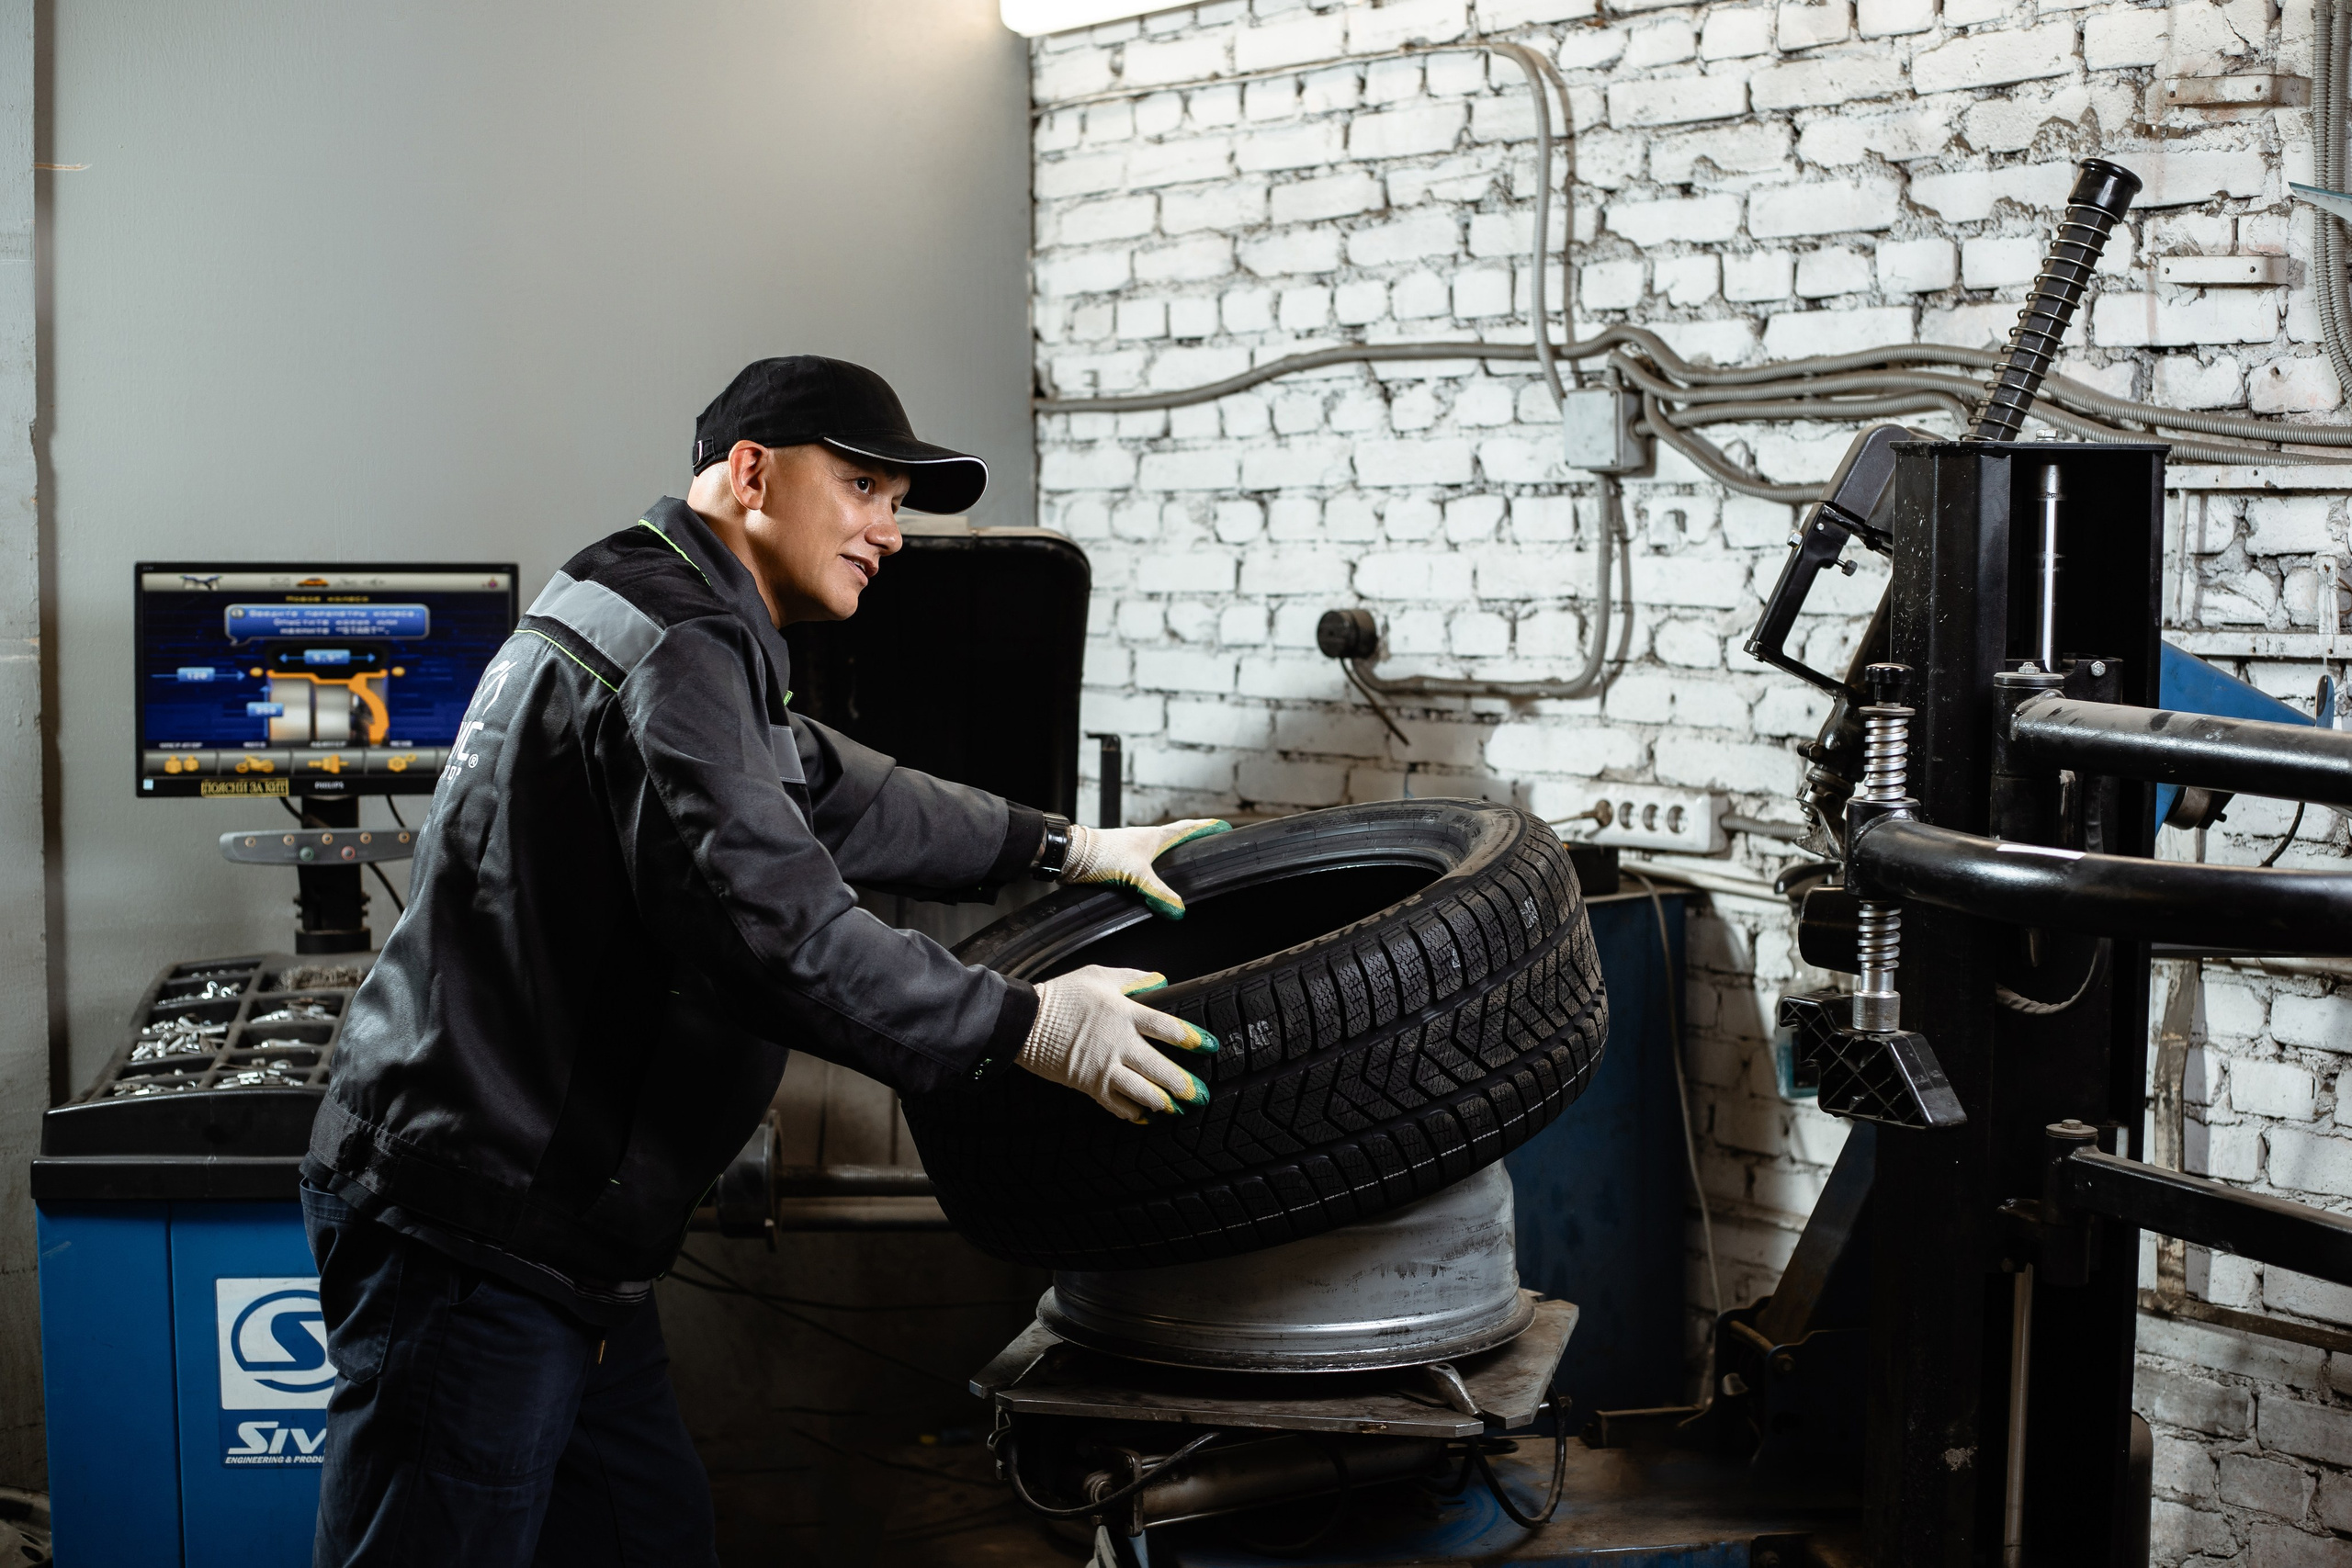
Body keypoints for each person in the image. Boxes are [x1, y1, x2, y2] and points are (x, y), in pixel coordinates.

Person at [299, 355, 1227, 1566]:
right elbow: (786, 935)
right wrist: (1032, 1026)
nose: (889, 532)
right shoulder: (679, 645)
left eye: (896, 502)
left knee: (650, 1537)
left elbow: (833, 790)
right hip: (480, 1238)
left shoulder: (648, 599)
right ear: (750, 474)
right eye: (864, 489)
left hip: (557, 1238)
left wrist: (1065, 846)